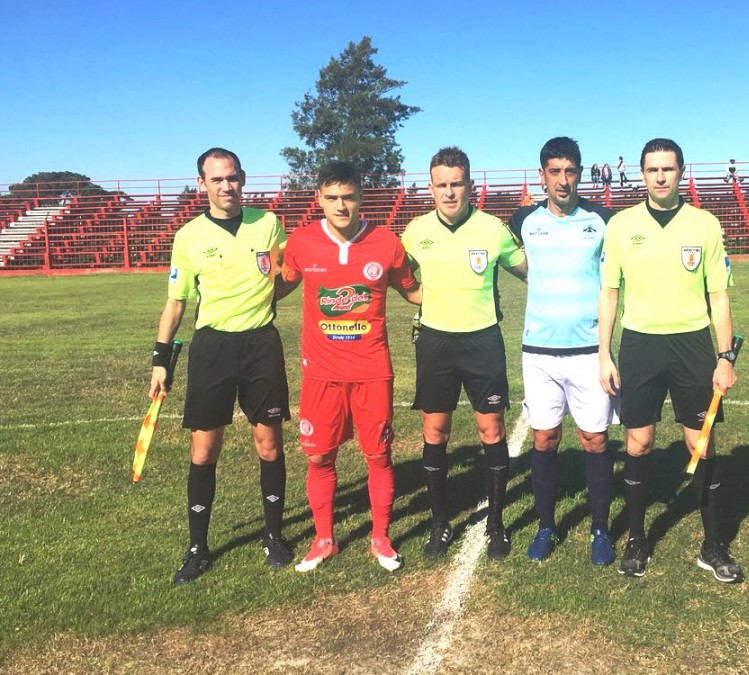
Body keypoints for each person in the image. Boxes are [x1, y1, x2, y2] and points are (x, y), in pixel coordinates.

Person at [598, 137, 743, 583]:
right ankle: (638, 541)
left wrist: (723, 357)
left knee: (699, 444)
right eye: (652, 170)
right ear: (641, 174)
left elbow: (718, 295)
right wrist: (604, 352)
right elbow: (609, 292)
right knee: (638, 443)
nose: (660, 176)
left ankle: (712, 545)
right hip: (640, 345)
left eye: (668, 169)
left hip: (692, 345)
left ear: (682, 172)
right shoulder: (621, 225)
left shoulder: (704, 224)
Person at [150, 147, 292, 584]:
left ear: (243, 178)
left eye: (232, 177)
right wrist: (161, 359)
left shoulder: (268, 224)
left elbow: (287, 274)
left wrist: (263, 301)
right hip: (212, 349)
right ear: (202, 185)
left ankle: (273, 535)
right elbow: (176, 304)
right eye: (216, 180)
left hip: (261, 345)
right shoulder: (189, 236)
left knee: (269, 445)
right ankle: (197, 548)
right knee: (203, 450)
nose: (226, 186)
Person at [277, 161, 422, 573]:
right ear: (318, 198)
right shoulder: (301, 243)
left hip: (372, 371)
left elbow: (413, 292)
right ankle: (324, 539)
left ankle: (380, 537)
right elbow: (279, 286)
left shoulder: (386, 244)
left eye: (349, 197)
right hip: (320, 373)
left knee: (379, 456)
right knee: (319, 458)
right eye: (332, 198)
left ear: (361, 197)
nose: (341, 206)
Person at [401, 146, 528, 561]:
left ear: (470, 186)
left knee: (491, 431)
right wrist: (419, 298)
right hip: (436, 343)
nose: (449, 192)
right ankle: (440, 524)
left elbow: (529, 271)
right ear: (431, 187)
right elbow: (398, 274)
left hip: (482, 342)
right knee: (435, 432)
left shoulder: (492, 229)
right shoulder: (415, 231)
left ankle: (495, 524)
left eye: (457, 184)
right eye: (442, 185)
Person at [508, 137, 617, 566]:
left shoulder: (602, 219)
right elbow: (509, 260)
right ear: (542, 176)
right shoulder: (522, 220)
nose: (563, 180)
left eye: (570, 171)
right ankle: (546, 525)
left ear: (581, 173)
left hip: (590, 349)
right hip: (538, 350)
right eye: (554, 172)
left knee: (594, 439)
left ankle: (601, 530)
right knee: (545, 438)